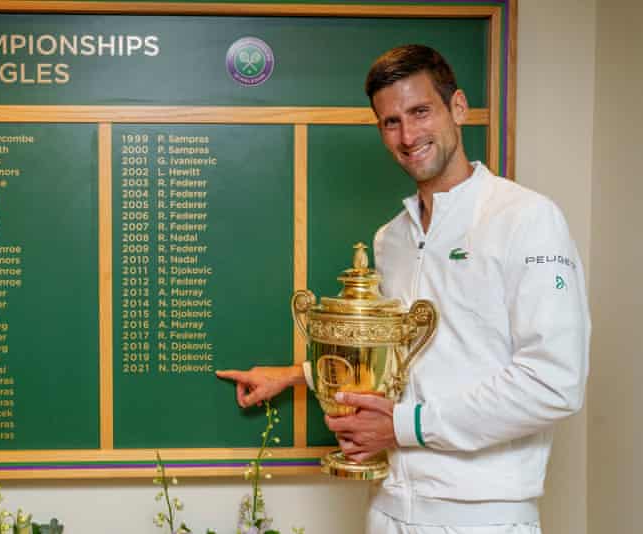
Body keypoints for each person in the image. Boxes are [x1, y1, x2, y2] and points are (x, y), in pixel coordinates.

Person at [217, 44, 590, 533]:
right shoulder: (390, 237)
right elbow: (404, 356)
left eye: (420, 112)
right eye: (391, 122)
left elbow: (554, 383)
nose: (408, 135)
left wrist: (402, 426)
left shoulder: (527, 218)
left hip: (483, 516)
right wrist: (294, 375)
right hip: (390, 507)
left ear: (457, 108)